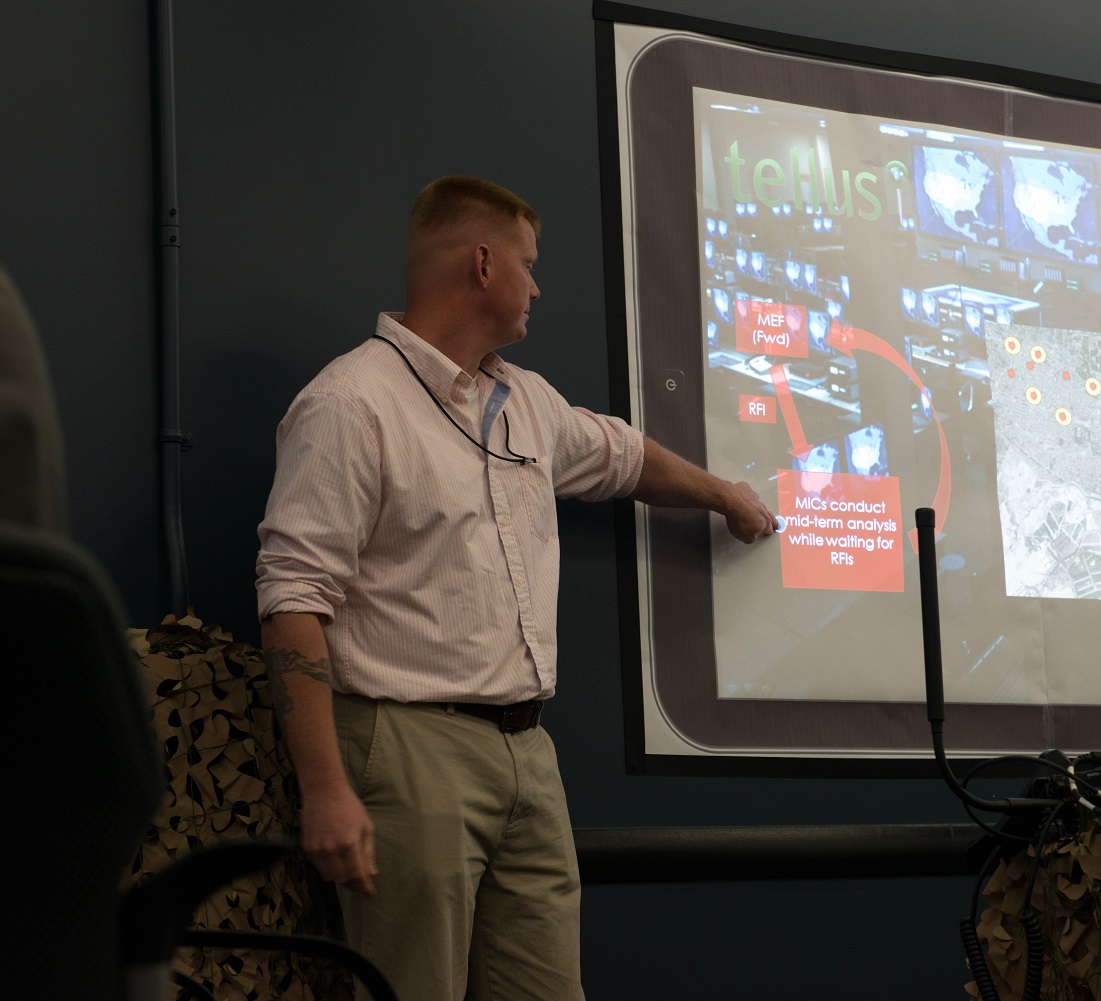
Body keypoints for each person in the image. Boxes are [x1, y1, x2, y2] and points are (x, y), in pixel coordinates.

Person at [255, 176, 775, 1001]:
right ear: (484, 262)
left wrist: (724, 495)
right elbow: (291, 600)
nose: (538, 285)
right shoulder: (352, 404)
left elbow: (626, 456)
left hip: (529, 753)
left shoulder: (523, 400)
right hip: (407, 746)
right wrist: (325, 787)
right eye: (530, 264)